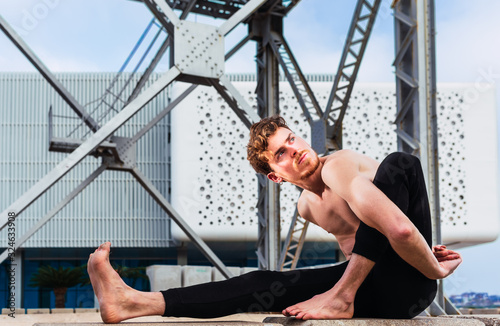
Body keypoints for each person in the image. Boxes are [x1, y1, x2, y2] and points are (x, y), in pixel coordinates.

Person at [88, 115, 462, 323]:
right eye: (281, 153)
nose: (295, 150)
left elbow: (396, 227)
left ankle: (341, 297)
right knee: (262, 282)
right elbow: (364, 247)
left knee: (400, 163)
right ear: (275, 176)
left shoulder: (339, 166)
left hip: (413, 286)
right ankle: (134, 302)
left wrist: (431, 266)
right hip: (380, 292)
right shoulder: (307, 207)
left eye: (293, 139)